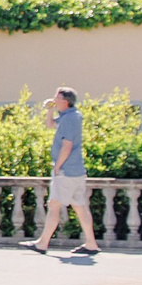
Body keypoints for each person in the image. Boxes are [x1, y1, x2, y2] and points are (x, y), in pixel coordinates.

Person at [35, 86, 100, 257]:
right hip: (76, 170)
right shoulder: (69, 116)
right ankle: (91, 244)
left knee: (54, 205)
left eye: (57, 98)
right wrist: (49, 110)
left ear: (65, 101)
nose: (54, 100)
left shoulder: (70, 119)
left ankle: (42, 243)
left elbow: (67, 145)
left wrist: (58, 166)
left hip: (66, 170)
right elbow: (50, 125)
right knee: (80, 206)